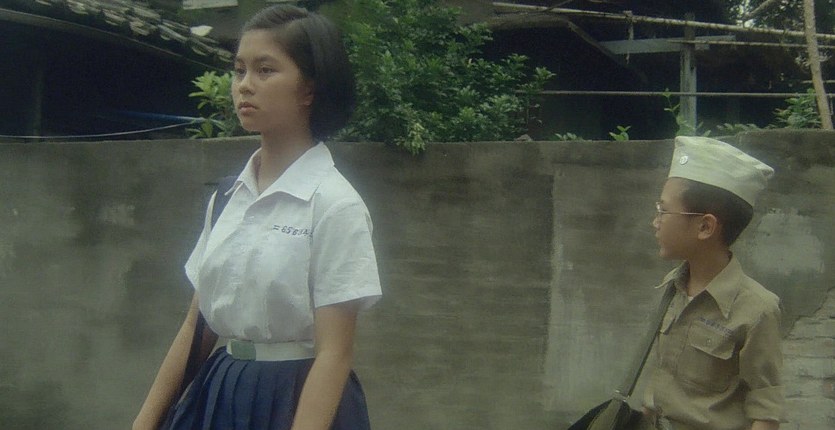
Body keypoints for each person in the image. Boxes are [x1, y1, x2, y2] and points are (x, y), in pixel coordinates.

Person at [133, 5, 381, 430]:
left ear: (309, 89)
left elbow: (334, 353)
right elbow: (197, 326)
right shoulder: (228, 197)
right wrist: (145, 421)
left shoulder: (334, 204)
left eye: (265, 70)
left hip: (296, 397)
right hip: (220, 391)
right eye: (239, 70)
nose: (245, 85)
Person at [640, 136, 783, 430]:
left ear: (705, 226)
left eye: (664, 210)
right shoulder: (673, 287)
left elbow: (765, 411)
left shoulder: (757, 309)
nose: (656, 221)